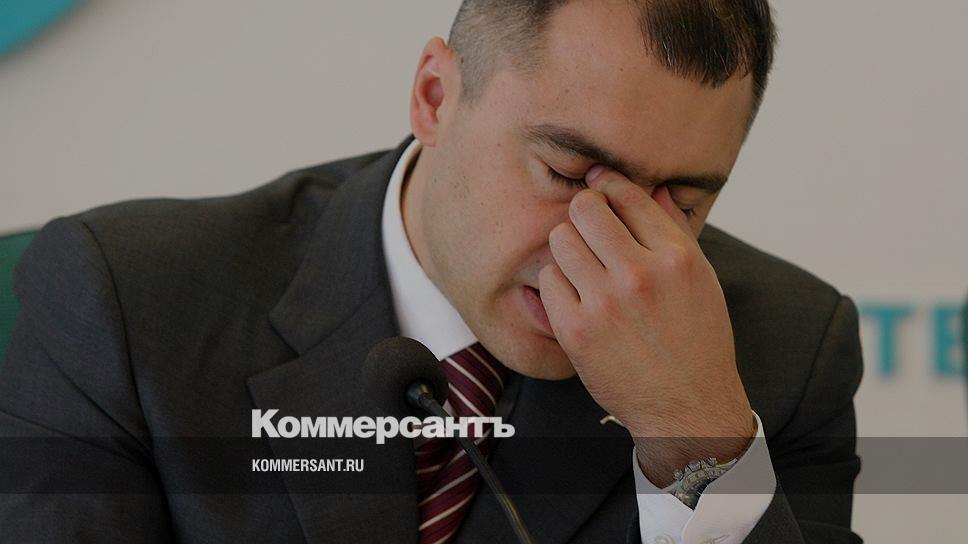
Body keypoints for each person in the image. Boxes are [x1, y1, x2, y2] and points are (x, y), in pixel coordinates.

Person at [0, 1, 863, 543]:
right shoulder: (128, 302)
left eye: (681, 201)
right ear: (435, 97)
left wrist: (691, 437)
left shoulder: (786, 353)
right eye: (566, 174)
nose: (608, 250)